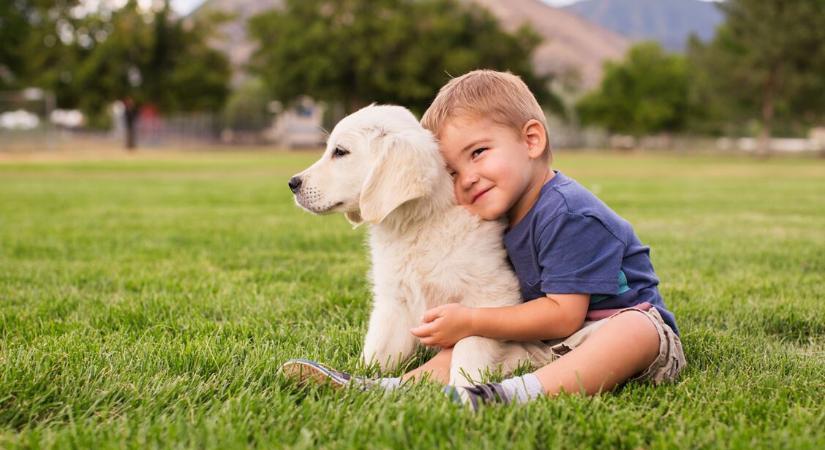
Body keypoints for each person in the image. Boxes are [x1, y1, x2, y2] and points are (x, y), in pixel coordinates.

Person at [281, 70, 685, 410]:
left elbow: (565, 315)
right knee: (462, 349)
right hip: (545, 340)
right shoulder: (497, 209)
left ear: (532, 141)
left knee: (633, 331)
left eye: (478, 153)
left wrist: (472, 319)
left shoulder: (569, 212)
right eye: (453, 171)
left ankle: (510, 395)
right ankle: (390, 387)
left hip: (611, 329)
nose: (468, 178)